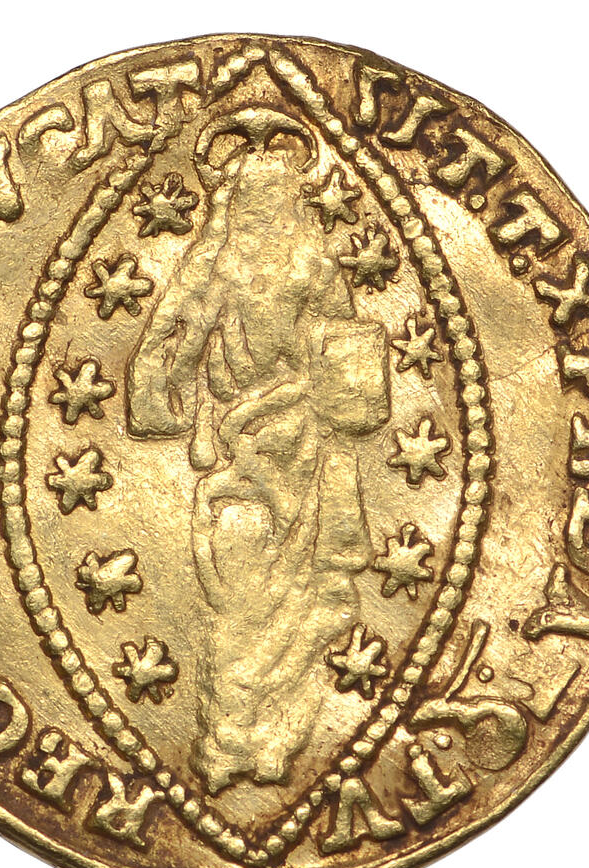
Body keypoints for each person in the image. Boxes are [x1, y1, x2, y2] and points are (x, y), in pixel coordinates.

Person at [126, 108, 391, 793]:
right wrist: (175, 403)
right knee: (242, 598)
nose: (266, 208)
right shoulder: (212, 269)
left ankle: (273, 737)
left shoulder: (314, 268)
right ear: (235, 204)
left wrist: (270, 405)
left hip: (304, 455)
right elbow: (167, 349)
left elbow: (344, 362)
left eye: (276, 196)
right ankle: (230, 733)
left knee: (310, 599)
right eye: (253, 196)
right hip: (239, 466)